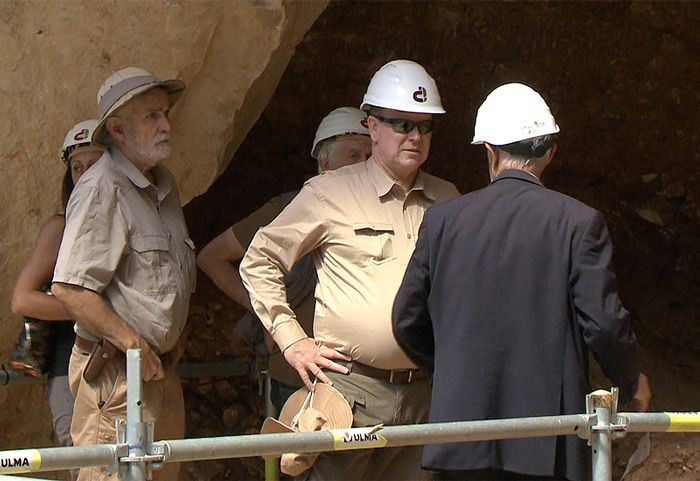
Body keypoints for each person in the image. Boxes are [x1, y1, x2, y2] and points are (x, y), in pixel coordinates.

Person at [392, 82, 652, 481]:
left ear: (490, 152)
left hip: (460, 439)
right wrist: (630, 381)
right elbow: (603, 323)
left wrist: (452, 368)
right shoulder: (578, 224)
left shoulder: (443, 221)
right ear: (550, 151)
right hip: (548, 445)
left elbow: (406, 320)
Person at [240, 59, 460, 481]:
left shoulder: (448, 199)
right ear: (372, 126)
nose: (415, 136)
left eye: (425, 126)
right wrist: (291, 340)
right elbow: (259, 259)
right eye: (401, 123)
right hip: (350, 395)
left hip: (424, 395)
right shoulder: (331, 192)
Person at [51, 67, 196, 481]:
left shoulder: (163, 188)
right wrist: (135, 345)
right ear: (117, 129)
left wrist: (175, 339)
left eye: (165, 114)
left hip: (159, 375)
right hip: (117, 379)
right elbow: (70, 288)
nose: (166, 124)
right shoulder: (102, 187)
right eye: (152, 116)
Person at [197, 107, 371, 414]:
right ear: (325, 162)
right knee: (290, 460)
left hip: (366, 383)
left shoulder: (386, 214)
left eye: (370, 157)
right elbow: (212, 258)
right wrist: (269, 315)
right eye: (354, 155)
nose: (364, 166)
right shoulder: (287, 210)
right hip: (296, 375)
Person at [11, 119, 103, 481]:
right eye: (77, 167)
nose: (84, 175)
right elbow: (23, 299)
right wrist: (92, 312)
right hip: (71, 367)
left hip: (123, 369)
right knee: (84, 463)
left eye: (94, 165)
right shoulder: (61, 227)